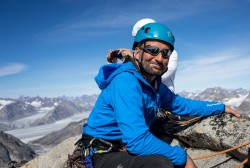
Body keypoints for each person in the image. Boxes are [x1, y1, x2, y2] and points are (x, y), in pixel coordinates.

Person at [82, 22, 240, 168]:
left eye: (165, 53)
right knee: (160, 164)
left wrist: (219, 107)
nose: (159, 58)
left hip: (122, 144)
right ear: (137, 53)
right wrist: (182, 156)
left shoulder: (154, 84)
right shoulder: (126, 82)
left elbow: (181, 105)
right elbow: (137, 141)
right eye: (152, 50)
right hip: (103, 152)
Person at [107, 18, 178, 92]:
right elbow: (124, 76)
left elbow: (158, 74)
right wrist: (113, 63)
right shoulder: (140, 53)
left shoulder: (168, 53)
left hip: (164, 94)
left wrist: (132, 61)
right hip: (145, 93)